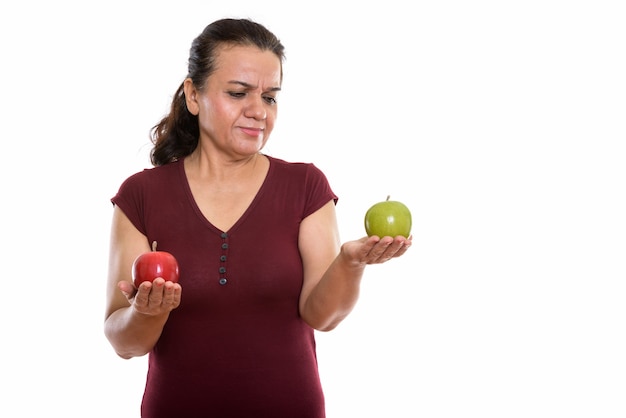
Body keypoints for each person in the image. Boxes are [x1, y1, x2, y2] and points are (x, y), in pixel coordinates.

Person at [104, 17, 412, 418]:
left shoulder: (305, 185)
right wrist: (145, 312)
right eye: (238, 93)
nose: (258, 111)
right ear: (194, 96)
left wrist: (350, 263)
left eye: (270, 97)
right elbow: (124, 343)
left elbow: (322, 316)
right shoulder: (141, 195)